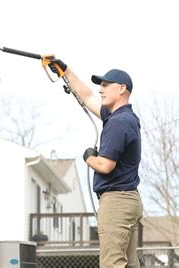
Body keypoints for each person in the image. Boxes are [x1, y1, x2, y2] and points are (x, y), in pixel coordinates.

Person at [49, 59, 143, 268]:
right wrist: (66, 72)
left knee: (112, 264)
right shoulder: (123, 117)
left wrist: (89, 157)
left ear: (121, 89)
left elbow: (105, 166)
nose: (100, 89)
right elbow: (87, 96)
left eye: (106, 85)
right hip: (129, 199)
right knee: (128, 264)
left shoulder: (118, 123)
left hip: (116, 201)